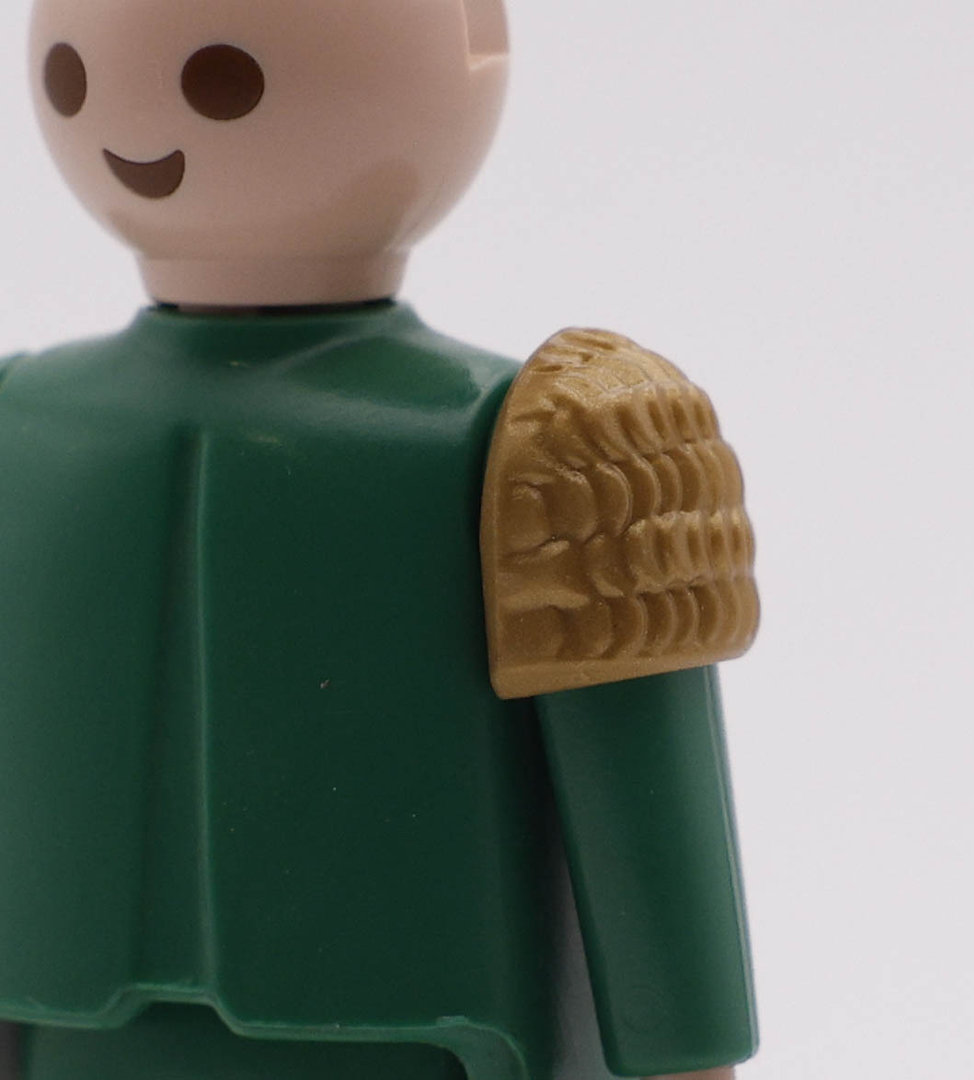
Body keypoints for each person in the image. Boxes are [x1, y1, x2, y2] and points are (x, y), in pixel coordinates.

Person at [0, 2, 760, 1078]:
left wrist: (684, 1053)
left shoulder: (555, 437)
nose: (129, 125)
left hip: (422, 1034)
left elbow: (635, 780)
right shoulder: (21, 422)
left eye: (223, 81)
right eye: (70, 79)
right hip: (70, 1030)